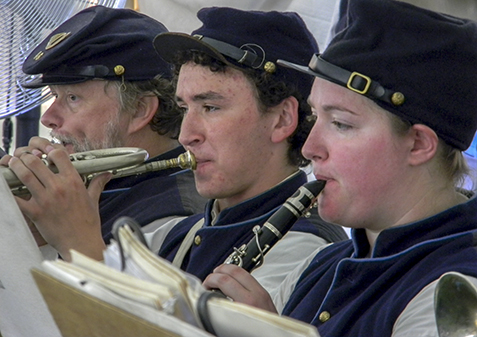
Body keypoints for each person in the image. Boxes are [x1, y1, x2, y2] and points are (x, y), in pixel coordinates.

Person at [202, 0, 477, 336]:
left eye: (341, 124)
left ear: (419, 144)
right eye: (316, 117)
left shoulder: (459, 291)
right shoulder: (321, 265)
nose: (310, 148)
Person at [147, 6, 347, 293]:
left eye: (210, 107)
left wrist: (79, 240)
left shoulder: (308, 250)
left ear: (282, 119)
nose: (185, 135)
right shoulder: (182, 233)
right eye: (184, 108)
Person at [1, 6, 206, 258]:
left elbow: (123, 298)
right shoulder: (102, 184)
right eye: (55, 96)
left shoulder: (175, 220)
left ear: (139, 110)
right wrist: (27, 233)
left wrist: (73, 242)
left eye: (73, 97)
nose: (48, 118)